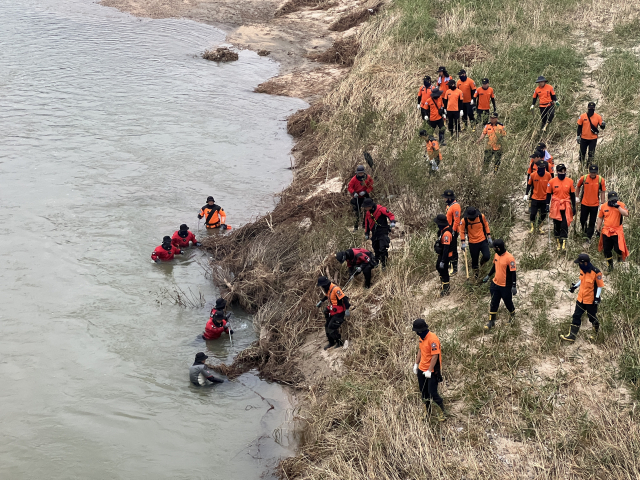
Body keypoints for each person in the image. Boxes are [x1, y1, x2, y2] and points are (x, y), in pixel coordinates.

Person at [560, 254, 604, 342]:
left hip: (590, 300)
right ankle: (572, 336)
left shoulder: (596, 272)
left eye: (580, 262)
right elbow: (582, 280)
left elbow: (600, 286)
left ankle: (595, 334)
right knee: (576, 315)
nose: (579, 264)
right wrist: (575, 287)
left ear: (585, 263)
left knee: (592, 317)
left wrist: (596, 297)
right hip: (581, 298)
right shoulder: (582, 270)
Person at [412, 319, 447, 421]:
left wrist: (429, 370)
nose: (417, 333)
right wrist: (416, 364)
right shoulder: (421, 338)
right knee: (423, 392)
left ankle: (441, 412)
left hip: (432, 371)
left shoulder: (433, 339)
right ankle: (427, 411)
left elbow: (435, 356)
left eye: (418, 331)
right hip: (421, 369)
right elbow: (420, 350)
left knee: (432, 392)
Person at [482, 239, 517, 330]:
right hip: (495, 284)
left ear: (497, 248)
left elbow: (513, 273)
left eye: (493, 247)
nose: (492, 249)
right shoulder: (496, 255)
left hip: (505, 286)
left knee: (507, 302)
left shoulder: (510, 258)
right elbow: (494, 266)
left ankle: (512, 316)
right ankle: (491, 322)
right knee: (494, 303)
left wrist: (514, 286)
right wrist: (488, 275)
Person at [596, 191, 629, 271]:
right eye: (612, 200)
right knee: (607, 249)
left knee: (618, 248)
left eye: (615, 199)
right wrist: (597, 229)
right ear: (608, 199)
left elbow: (626, 214)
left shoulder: (621, 204)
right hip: (606, 231)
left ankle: (619, 258)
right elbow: (600, 218)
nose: (613, 201)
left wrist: (618, 207)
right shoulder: (603, 206)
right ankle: (610, 267)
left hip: (617, 231)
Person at [546, 164, 576, 251]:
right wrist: (547, 205)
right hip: (556, 205)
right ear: (557, 172)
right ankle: (558, 242)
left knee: (564, 224)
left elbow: (572, 195)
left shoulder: (570, 181)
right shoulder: (551, 182)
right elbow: (548, 194)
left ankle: (564, 242)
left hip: (566, 205)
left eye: (564, 171)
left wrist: (574, 207)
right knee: (557, 224)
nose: (562, 173)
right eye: (560, 171)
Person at [316, 276, 350, 350]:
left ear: (325, 284)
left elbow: (344, 299)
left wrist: (347, 309)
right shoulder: (328, 289)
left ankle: (339, 342)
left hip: (339, 312)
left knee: (332, 327)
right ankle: (331, 342)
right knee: (327, 326)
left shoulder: (336, 289)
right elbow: (326, 296)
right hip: (333, 311)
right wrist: (321, 301)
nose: (322, 287)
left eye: (322, 286)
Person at [459, 206, 493, 279]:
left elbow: (486, 225)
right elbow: (461, 231)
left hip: (483, 240)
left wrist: (489, 236)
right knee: (474, 261)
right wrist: (463, 243)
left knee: (487, 256)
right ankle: (476, 275)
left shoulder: (481, 217)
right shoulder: (464, 220)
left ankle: (482, 263)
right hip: (473, 243)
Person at [362, 198, 396, 268]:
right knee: (376, 249)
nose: (365, 208)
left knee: (382, 248)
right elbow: (366, 223)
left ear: (370, 206)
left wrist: (392, 222)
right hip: (374, 233)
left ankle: (384, 265)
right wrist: (366, 233)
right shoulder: (368, 213)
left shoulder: (380, 209)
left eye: (365, 207)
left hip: (383, 231)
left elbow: (390, 215)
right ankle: (376, 264)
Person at [576, 165, 606, 241]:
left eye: (594, 172)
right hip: (584, 203)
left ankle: (589, 237)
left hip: (595, 205)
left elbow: (603, 191)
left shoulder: (600, 180)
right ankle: (584, 230)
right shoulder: (584, 178)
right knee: (582, 220)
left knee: (592, 222)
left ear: (597, 172)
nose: (593, 174)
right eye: (592, 172)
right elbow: (578, 186)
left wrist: (602, 203)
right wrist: (577, 197)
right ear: (589, 172)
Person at [525, 160, 552, 233]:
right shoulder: (533, 175)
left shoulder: (548, 175)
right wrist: (526, 194)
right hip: (535, 198)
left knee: (543, 214)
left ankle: (540, 227)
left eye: (543, 167)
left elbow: (551, 186)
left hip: (544, 198)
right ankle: (532, 227)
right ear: (537, 167)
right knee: (533, 213)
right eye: (540, 167)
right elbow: (529, 185)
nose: (542, 168)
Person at [347, 165, 374, 231]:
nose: (360, 174)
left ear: (364, 172)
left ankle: (365, 225)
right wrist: (353, 193)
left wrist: (366, 191)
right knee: (357, 212)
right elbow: (349, 187)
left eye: (361, 173)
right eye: (359, 173)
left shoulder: (368, 177)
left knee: (367, 211)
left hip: (365, 196)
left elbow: (371, 186)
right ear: (357, 173)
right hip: (357, 197)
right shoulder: (354, 179)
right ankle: (356, 227)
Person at [433, 214, 453, 296]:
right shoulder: (442, 231)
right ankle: (443, 284)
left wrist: (443, 261)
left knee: (444, 271)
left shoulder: (447, 234)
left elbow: (446, 248)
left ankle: (446, 289)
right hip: (442, 254)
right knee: (438, 267)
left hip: (446, 255)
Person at [443, 190, 461, 275]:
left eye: (445, 197)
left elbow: (456, 220)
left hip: (453, 230)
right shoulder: (448, 205)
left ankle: (455, 268)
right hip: (448, 229)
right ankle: (450, 263)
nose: (444, 199)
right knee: (448, 247)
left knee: (453, 249)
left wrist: (453, 231)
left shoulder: (456, 206)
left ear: (449, 198)